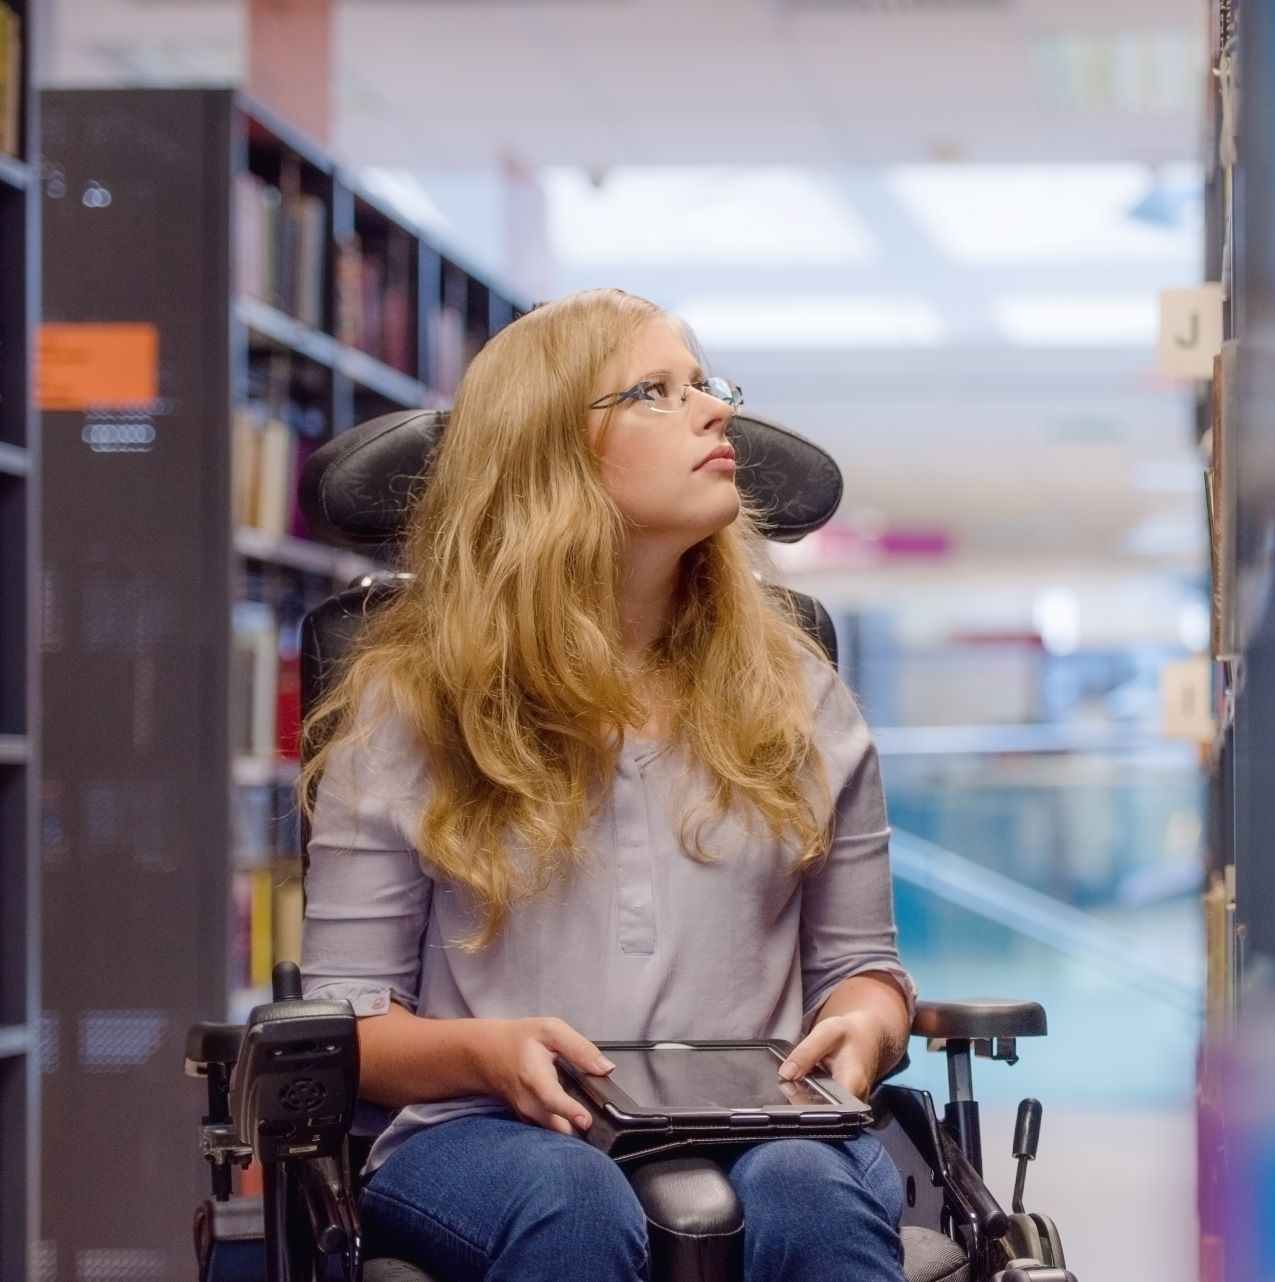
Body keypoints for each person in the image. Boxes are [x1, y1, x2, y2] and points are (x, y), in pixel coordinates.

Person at [297, 287, 917, 1282]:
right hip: (483, 1133)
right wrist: (484, 1052)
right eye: (654, 393)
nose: (716, 411)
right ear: (546, 452)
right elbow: (347, 1027)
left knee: (807, 1195)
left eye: (704, 386)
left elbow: (863, 968)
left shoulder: (800, 693)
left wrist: (867, 1023)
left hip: (767, 1126)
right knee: (569, 1198)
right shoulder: (413, 705)